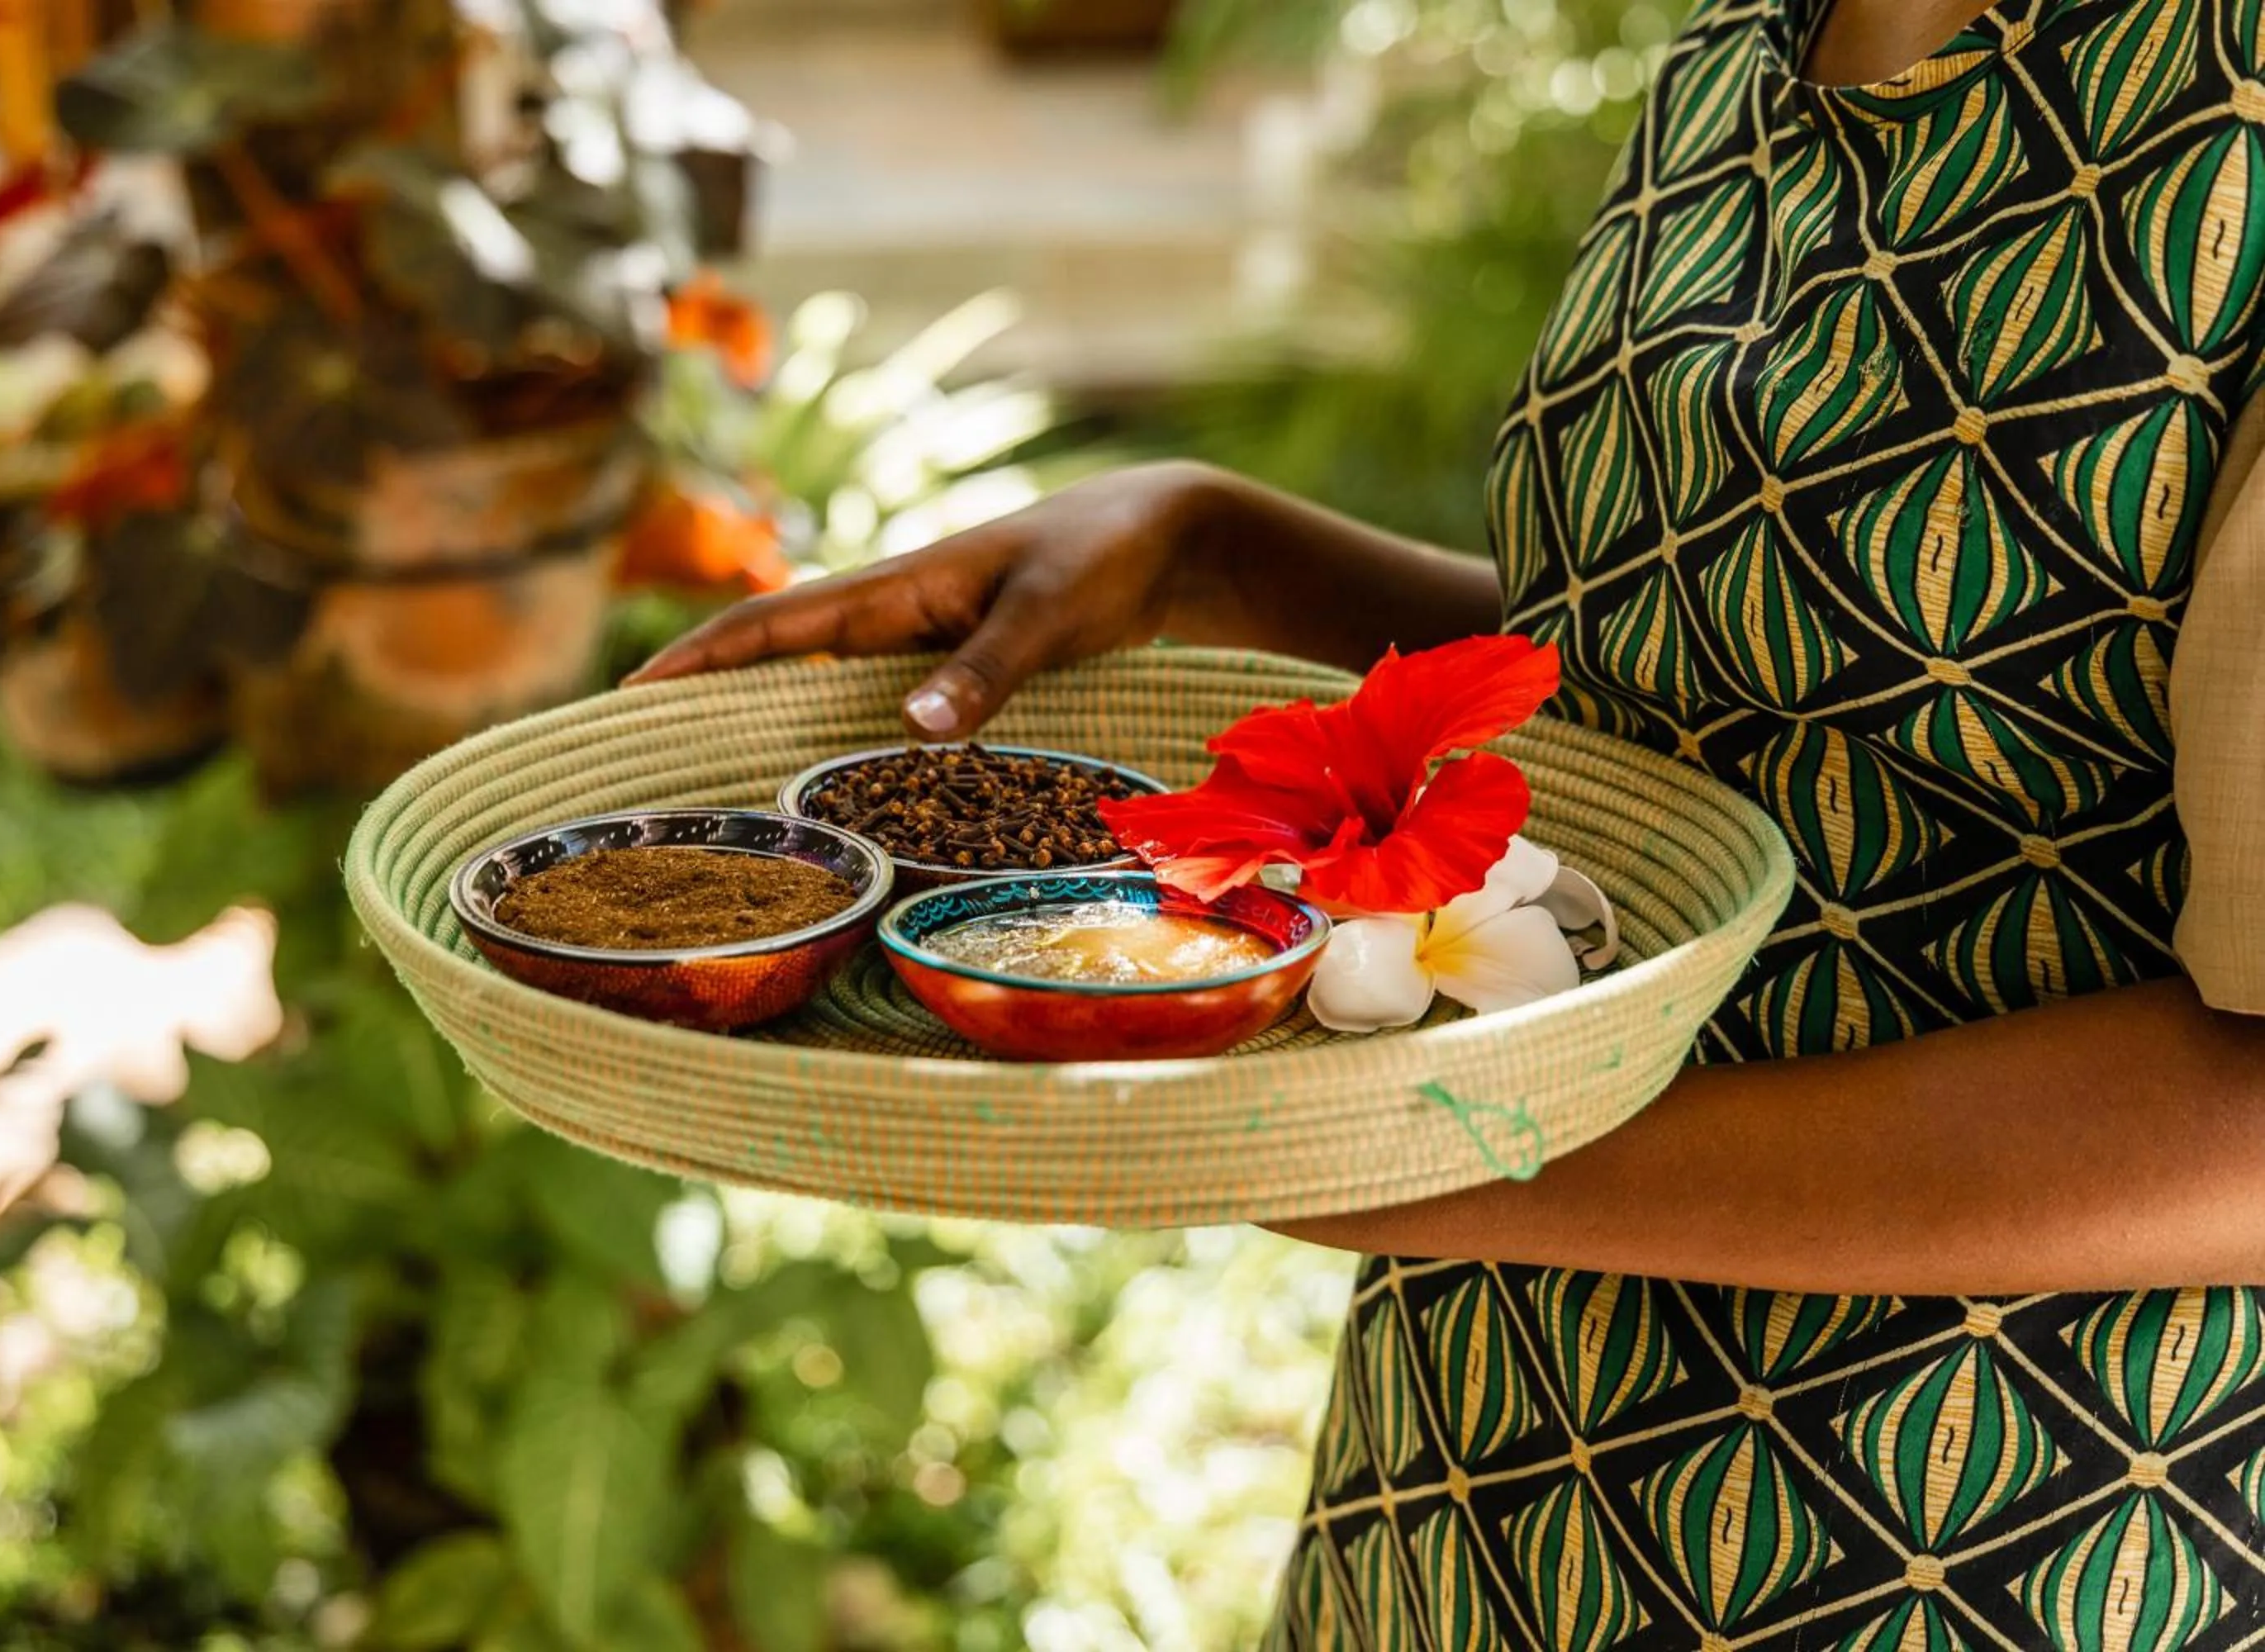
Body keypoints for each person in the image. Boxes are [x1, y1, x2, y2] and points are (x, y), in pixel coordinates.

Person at [638, 0, 2265, 1640]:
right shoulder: (1756, 35)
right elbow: (1745, 681)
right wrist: (1224, 553)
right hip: (1482, 1472)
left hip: (1980, 1533)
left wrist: (1436, 1169)